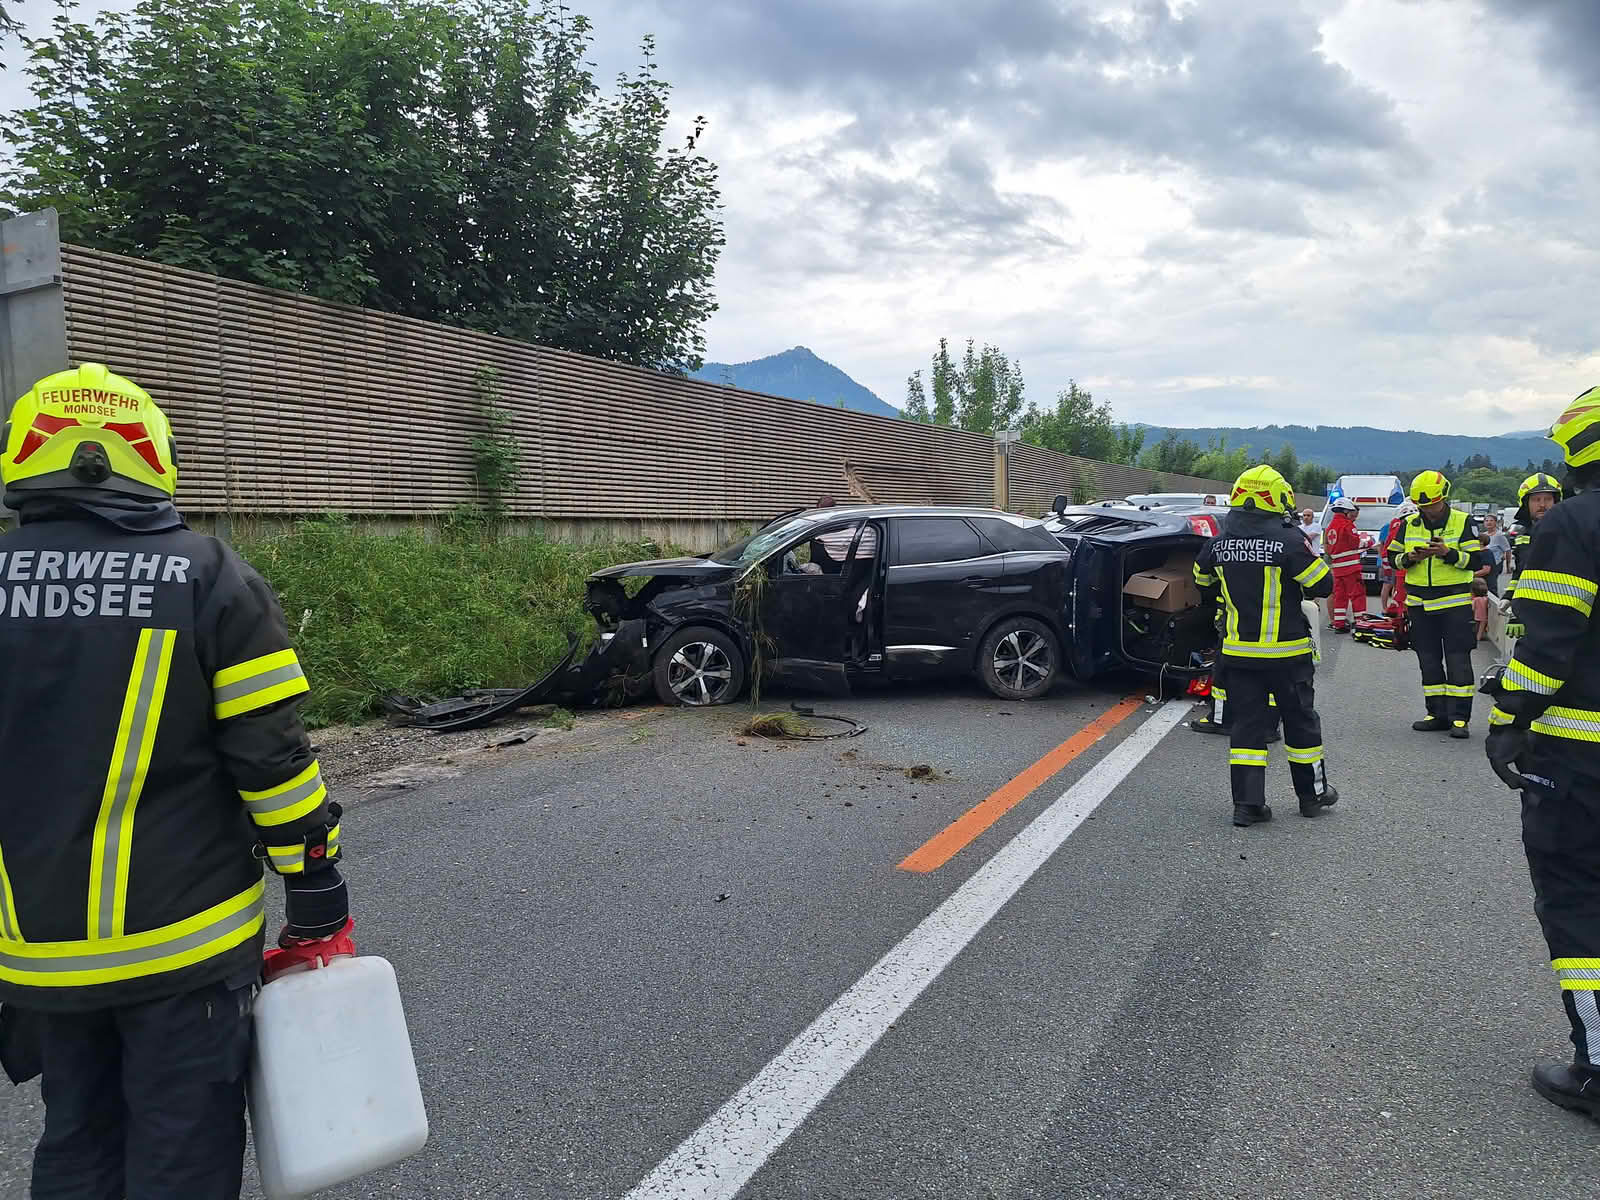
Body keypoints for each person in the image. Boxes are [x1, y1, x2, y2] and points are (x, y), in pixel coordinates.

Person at [0, 364, 353, 1197]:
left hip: (43, 959)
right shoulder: (207, 576)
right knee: (182, 1157)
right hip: (187, 953)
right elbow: (273, 764)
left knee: (77, 1143)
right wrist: (316, 887)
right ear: (150, 457)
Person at [1480, 385, 1600, 1117]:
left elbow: (1548, 645)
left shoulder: (1576, 526)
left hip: (1582, 759)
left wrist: (1508, 719)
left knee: (1579, 904)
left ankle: (1598, 1068)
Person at [1193, 464, 1338, 827]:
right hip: (1287, 655)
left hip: (1239, 654)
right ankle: (1312, 796)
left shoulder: (1219, 542)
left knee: (1246, 729)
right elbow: (1322, 585)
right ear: (1276, 499)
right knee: (1301, 725)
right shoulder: (1289, 541)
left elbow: (1201, 580)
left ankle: (1248, 805)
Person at [1389, 470, 1491, 739]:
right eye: (1423, 506)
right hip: (1419, 604)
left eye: (1432, 505)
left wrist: (1447, 553)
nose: (1428, 511)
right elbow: (1393, 560)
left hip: (1454, 603)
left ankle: (1460, 719)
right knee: (1429, 661)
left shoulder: (1462, 521)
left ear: (1443, 498)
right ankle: (1437, 714)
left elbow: (1476, 562)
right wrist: (1411, 557)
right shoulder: (1409, 524)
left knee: (1458, 660)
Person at [1500, 473, 1563, 636]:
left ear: (1557, 501)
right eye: (1536, 499)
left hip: (1562, 611)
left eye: (1548, 499)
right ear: (1525, 503)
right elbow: (1522, 572)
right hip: (1532, 613)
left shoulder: (1568, 531)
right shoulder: (1522, 534)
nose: (1542, 505)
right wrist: (1509, 597)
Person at [1324, 497, 1368, 632]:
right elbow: (1356, 543)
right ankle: (1361, 623)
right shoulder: (1347, 525)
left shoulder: (1330, 527)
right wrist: (1368, 542)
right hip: (1351, 568)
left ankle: (1339, 624)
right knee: (1357, 595)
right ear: (1345, 512)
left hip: (1337, 569)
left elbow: (1327, 548)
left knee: (1340, 597)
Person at [1482, 514, 1512, 595]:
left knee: (1491, 587)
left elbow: (1507, 550)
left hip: (1495, 564)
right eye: (1486, 520)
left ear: (1495, 522)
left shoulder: (1499, 535)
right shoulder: (1483, 535)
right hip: (1484, 564)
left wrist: (1508, 566)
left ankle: (1495, 605)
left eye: (1491, 520)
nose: (1489, 522)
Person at [1473, 577, 1490, 642]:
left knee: (1477, 626)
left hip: (1477, 616)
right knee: (1482, 627)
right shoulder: (1486, 599)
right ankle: (1479, 636)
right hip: (1485, 617)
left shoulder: (1475, 600)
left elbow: (1473, 608)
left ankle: (1477, 637)